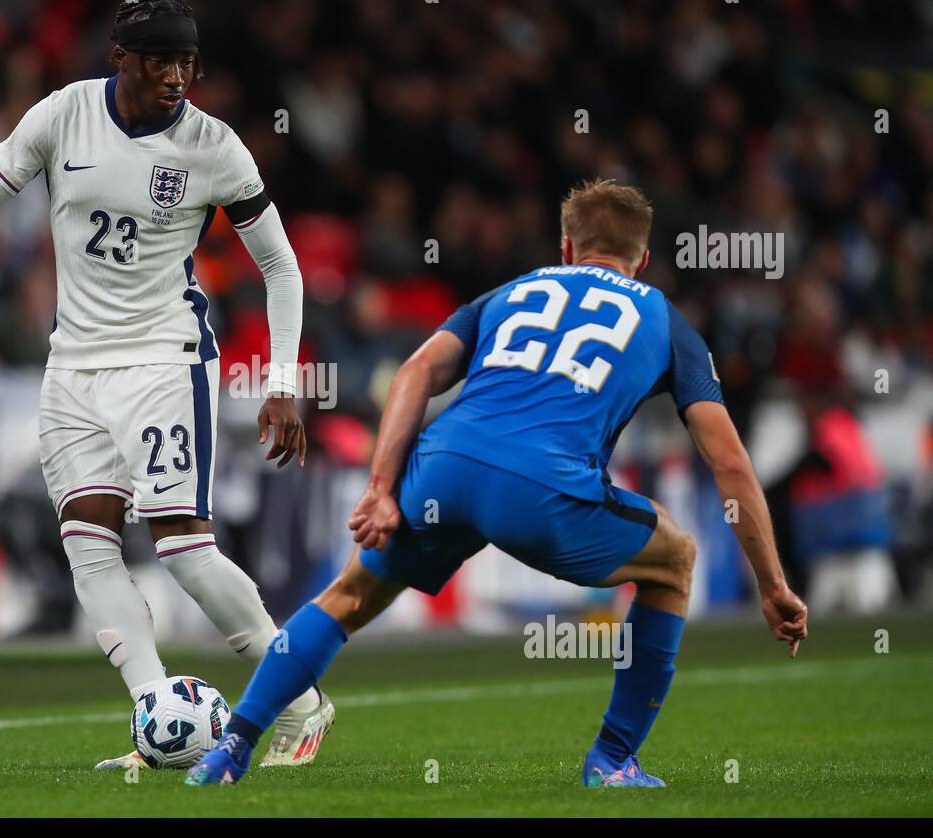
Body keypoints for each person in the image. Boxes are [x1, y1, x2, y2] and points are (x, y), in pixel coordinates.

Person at [188, 178, 808, 788]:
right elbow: (729, 464)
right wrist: (773, 584)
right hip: (541, 491)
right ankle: (613, 759)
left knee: (347, 597)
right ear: (642, 260)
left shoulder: (510, 291)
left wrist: (381, 486)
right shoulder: (667, 322)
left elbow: (414, 373)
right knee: (674, 558)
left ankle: (230, 751)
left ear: (565, 248)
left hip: (446, 468)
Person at [0, 0, 333, 770]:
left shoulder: (214, 146)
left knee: (182, 548)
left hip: (163, 360)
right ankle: (156, 720)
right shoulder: (63, 114)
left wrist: (281, 378)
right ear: (122, 60)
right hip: (71, 366)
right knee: (89, 544)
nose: (178, 75)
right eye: (162, 60)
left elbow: (280, 263)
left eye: (188, 62)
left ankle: (304, 703)